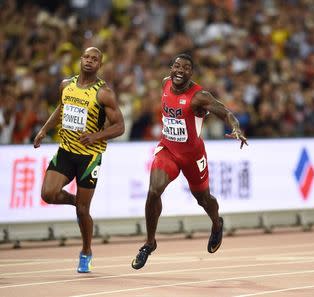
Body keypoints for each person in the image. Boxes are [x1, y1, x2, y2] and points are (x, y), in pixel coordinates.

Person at [131, 53, 248, 270]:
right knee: (154, 190)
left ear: (190, 73)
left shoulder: (199, 96)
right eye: (176, 66)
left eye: (185, 68)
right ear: (171, 68)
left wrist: (236, 128)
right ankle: (149, 242)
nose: (179, 71)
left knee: (203, 198)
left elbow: (225, 112)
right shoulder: (166, 83)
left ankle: (216, 223)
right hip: (168, 150)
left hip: (193, 156)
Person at [33, 47, 125, 273]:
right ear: (80, 59)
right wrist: (44, 130)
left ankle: (86, 251)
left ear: (99, 65)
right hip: (65, 151)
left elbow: (120, 126)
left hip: (89, 157)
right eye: (86, 57)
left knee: (83, 213)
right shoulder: (66, 85)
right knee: (48, 194)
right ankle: (78, 201)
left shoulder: (104, 93)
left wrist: (96, 136)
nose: (89, 61)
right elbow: (61, 108)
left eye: (95, 59)